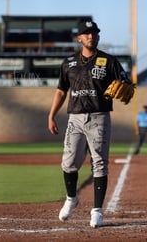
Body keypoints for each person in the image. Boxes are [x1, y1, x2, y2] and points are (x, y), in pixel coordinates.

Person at [48, 21, 131, 228]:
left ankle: (97, 211)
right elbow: (61, 91)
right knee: (68, 163)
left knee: (99, 163)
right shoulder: (68, 63)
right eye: (86, 33)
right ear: (79, 38)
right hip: (75, 118)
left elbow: (126, 82)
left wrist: (126, 87)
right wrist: (51, 115)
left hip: (99, 117)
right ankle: (71, 198)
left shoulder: (109, 61)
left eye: (94, 33)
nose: (91, 36)